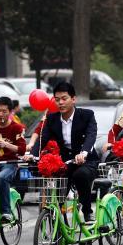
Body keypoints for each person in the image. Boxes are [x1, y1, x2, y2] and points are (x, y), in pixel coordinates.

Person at [28, 82, 99, 223]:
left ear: (73, 99)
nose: (60, 102)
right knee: (58, 192)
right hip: (65, 163)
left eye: (64, 98)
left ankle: (87, 210)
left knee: (80, 175)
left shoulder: (87, 115)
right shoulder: (52, 119)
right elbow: (43, 139)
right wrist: (33, 154)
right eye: (57, 99)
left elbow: (91, 135)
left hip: (86, 160)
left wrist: (84, 153)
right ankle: (58, 229)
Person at [0, 96, 26, 222]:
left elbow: (22, 149)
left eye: (4, 111)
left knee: (1, 178)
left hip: (10, 163)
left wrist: (5, 145)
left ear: (10, 112)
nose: (0, 114)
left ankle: (6, 213)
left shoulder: (17, 128)